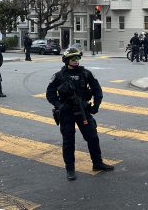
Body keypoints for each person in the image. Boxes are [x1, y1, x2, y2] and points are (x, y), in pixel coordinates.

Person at [46, 47, 114, 181]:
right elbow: (50, 94)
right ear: (66, 60)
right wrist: (60, 106)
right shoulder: (59, 76)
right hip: (67, 113)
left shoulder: (86, 73)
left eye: (78, 58)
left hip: (83, 111)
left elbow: (97, 89)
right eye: (73, 58)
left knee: (92, 137)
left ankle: (97, 163)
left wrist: (96, 105)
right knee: (68, 141)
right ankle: (70, 168)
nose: (76, 61)